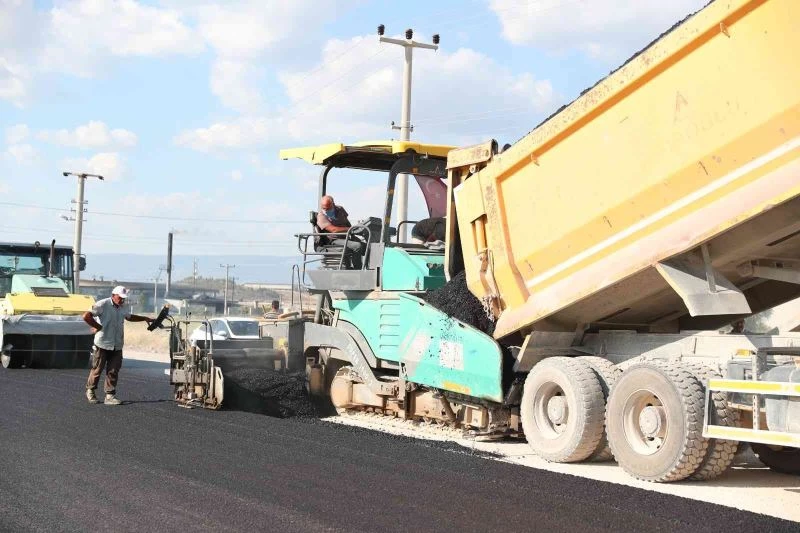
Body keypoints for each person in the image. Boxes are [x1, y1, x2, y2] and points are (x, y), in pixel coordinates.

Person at [82, 285, 152, 405]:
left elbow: (129, 317)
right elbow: (86, 316)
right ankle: (90, 391)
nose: (122, 300)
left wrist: (144, 318)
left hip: (117, 343)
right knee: (97, 368)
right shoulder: (102, 304)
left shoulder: (123, 307)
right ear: (113, 295)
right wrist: (97, 326)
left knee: (113, 370)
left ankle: (109, 395)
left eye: (123, 298)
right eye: (120, 298)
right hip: (103, 343)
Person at [316, 195, 365, 269]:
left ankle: (369, 268)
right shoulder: (321, 217)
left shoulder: (340, 209)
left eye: (328, 208)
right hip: (334, 240)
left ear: (333, 204)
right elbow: (334, 230)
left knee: (367, 246)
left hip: (345, 236)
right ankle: (358, 270)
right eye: (324, 209)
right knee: (357, 246)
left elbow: (347, 222)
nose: (326, 211)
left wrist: (354, 231)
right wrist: (349, 229)